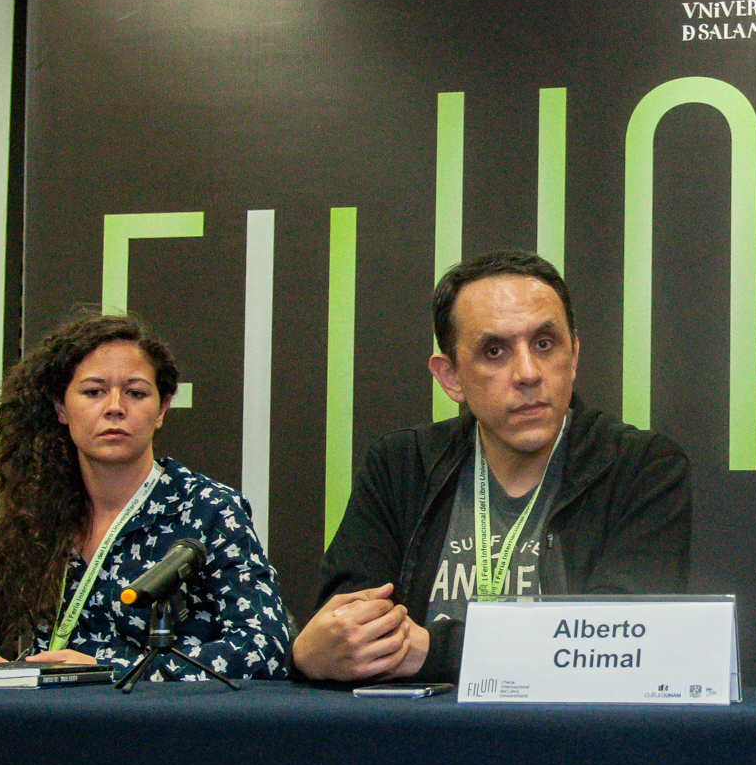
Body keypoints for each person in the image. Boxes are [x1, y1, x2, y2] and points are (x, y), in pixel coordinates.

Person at [293, 250, 691, 683]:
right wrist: (308, 653)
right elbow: (347, 628)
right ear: (451, 377)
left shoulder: (642, 468)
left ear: (573, 357)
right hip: (418, 739)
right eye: (495, 350)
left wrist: (431, 651)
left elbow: (615, 645)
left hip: (571, 741)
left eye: (544, 344)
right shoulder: (399, 467)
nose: (527, 373)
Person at [0, 313, 290, 679]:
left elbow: (265, 646)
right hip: (40, 727)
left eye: (136, 393)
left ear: (161, 410)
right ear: (61, 407)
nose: (114, 407)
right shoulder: (36, 513)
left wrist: (114, 671)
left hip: (149, 731)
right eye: (94, 392)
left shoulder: (208, 509)